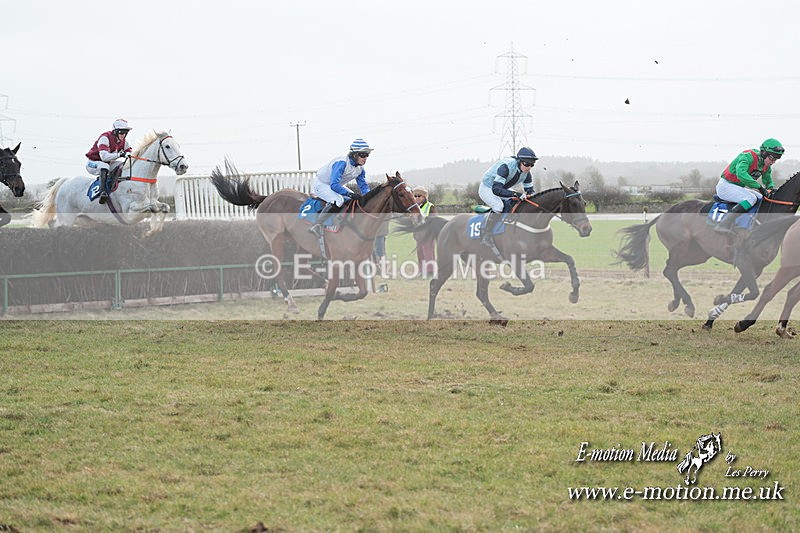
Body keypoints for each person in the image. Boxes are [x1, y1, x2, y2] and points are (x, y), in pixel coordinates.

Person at [714, 138, 784, 233]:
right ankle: (723, 224)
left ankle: (752, 223)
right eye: (772, 158)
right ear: (764, 153)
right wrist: (759, 187)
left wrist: (770, 188)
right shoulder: (748, 156)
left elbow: (767, 179)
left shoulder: (766, 165)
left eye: (775, 159)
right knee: (751, 198)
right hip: (725, 186)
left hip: (737, 187)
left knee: (761, 198)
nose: (773, 162)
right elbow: (741, 173)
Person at [309, 138, 372, 236]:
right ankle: (317, 224)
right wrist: (349, 194)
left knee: (352, 201)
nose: (365, 158)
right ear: (354, 154)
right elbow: (334, 185)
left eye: (367, 155)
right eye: (362, 155)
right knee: (338, 200)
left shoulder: (360, 169)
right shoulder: (342, 163)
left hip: (335, 185)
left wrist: (370, 198)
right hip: (321, 184)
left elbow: (363, 187)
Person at [478, 146, 537, 246]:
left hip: (502, 188)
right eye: (526, 164)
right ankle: (485, 233)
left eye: (532, 165)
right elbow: (496, 190)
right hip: (488, 188)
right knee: (498, 206)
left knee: (519, 202)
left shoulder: (527, 173)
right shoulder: (505, 167)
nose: (529, 167)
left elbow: (530, 191)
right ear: (519, 161)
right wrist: (516, 194)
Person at [85, 118, 133, 204]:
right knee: (104, 166)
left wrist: (130, 154)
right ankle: (103, 192)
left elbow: (130, 151)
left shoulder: (124, 141)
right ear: (115, 131)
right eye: (121, 132)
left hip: (108, 163)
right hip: (93, 163)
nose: (123, 135)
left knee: (122, 165)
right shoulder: (105, 137)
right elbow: (104, 157)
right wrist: (120, 154)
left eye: (126, 132)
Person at [412, 186, 438, 275]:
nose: (417, 198)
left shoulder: (430, 206)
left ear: (424, 197)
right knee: (420, 253)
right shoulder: (414, 207)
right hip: (418, 234)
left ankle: (430, 271)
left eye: (419, 196)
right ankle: (422, 271)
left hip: (428, 234)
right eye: (415, 196)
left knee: (428, 253)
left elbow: (434, 219)